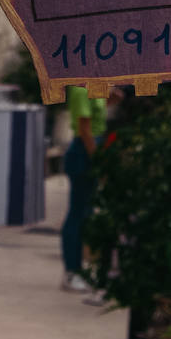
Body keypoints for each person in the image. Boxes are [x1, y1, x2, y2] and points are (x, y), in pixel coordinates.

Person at [60, 84, 107, 292]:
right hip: (84, 152)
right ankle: (71, 272)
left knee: (86, 213)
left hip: (92, 147)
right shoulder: (81, 88)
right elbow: (85, 130)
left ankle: (79, 269)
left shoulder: (95, 85)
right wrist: (99, 162)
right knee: (77, 214)